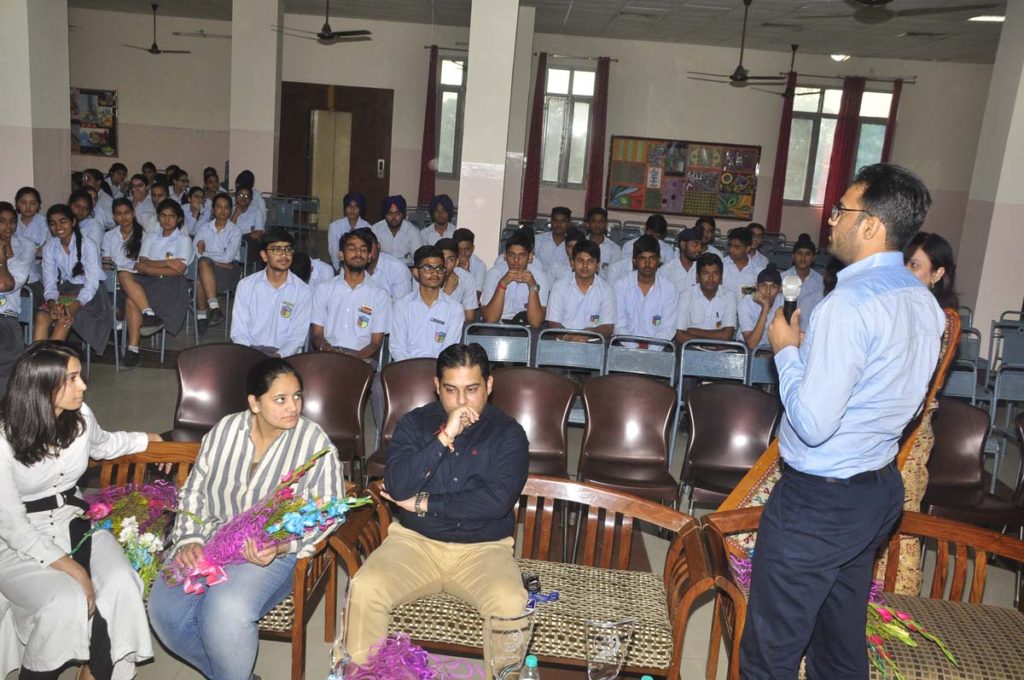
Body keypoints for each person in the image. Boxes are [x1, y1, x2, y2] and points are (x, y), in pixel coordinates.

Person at [740, 164, 946, 679]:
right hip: (875, 490)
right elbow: (885, 390)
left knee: (771, 652)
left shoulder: (848, 302)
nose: (831, 220)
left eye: (841, 210)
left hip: (819, 504)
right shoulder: (923, 301)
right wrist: (813, 355)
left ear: (871, 224)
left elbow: (813, 423)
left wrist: (786, 351)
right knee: (838, 644)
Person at [149, 358, 344, 680]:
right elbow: (195, 489)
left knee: (225, 611)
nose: (293, 407)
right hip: (211, 538)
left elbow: (329, 510)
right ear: (254, 403)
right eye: (280, 399)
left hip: (268, 552)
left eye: (297, 396)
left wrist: (283, 546)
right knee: (165, 612)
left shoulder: (313, 441)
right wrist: (189, 539)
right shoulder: (225, 430)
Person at [345, 344, 529, 674]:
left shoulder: (508, 434)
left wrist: (424, 503)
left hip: (483, 549)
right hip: (415, 543)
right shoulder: (415, 423)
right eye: (451, 390)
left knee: (510, 603)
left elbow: (495, 501)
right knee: (365, 587)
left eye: (472, 389)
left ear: (489, 385)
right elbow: (398, 485)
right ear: (436, 386)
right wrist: (445, 436)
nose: (461, 402)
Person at [0, 342, 160, 679]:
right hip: (16, 540)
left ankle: (96, 672)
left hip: (74, 523)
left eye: (80, 376)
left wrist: (148, 439)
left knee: (122, 583)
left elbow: (104, 444)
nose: (83, 386)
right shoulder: (3, 438)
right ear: (43, 385)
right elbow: (12, 525)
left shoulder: (81, 416)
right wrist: (77, 572)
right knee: (64, 600)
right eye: (72, 378)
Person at [120, 199, 195, 368]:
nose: (167, 220)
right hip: (150, 279)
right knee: (123, 274)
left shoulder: (183, 239)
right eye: (163, 215)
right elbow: (141, 262)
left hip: (172, 282)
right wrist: (167, 262)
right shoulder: (151, 237)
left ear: (178, 218)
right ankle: (148, 313)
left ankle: (133, 350)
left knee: (131, 300)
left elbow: (179, 270)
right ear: (158, 217)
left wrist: (150, 267)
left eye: (171, 216)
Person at [33, 205, 111, 353]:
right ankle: (37, 360)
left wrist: (74, 307)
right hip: (67, 290)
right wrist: (52, 304)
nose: (58, 227)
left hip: (92, 294)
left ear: (73, 222)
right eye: (53, 223)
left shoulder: (88, 245)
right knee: (41, 317)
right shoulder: (50, 247)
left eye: (63, 222)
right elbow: (50, 283)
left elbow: (91, 284)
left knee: (64, 318)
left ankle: (50, 362)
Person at [231, 230, 312, 357]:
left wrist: (278, 356)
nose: (284, 255)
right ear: (264, 255)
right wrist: (248, 356)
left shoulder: (303, 291)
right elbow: (239, 332)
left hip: (284, 356)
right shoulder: (246, 286)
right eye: (277, 250)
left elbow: (297, 338)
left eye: (288, 250)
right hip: (251, 352)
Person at [311, 230, 392, 359]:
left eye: (363, 250)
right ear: (341, 255)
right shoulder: (324, 289)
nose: (358, 254)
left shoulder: (380, 295)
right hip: (328, 354)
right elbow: (316, 335)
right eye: (352, 249)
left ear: (369, 256)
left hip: (363, 358)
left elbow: (375, 343)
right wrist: (330, 350)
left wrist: (353, 360)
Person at [389, 245, 464, 362]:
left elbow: (449, 351)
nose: (435, 273)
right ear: (416, 272)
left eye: (440, 269)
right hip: (406, 367)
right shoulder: (402, 305)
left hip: (438, 368)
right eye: (428, 268)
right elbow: (397, 348)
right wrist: (410, 369)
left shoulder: (455, 309)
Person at [613, 235, 678, 345]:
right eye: (642, 258)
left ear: (659, 260)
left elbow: (667, 329)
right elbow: (619, 326)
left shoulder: (669, 289)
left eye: (652, 258)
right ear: (634, 261)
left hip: (658, 349)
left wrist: (650, 350)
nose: (647, 264)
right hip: (624, 347)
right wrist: (634, 348)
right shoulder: (621, 286)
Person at [546, 239, 616, 340]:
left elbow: (608, 327)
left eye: (590, 261)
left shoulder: (607, 290)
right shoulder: (559, 286)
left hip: (594, 343)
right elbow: (553, 322)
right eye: (580, 261)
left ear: (597, 265)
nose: (585, 266)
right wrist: (568, 337)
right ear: (572, 262)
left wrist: (587, 334)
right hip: (563, 341)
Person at [193, 192, 242, 332]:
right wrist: (215, 261)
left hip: (228, 271)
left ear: (230, 210)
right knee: (202, 269)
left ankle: (201, 317)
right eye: (219, 206)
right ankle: (214, 308)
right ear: (213, 209)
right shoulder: (204, 228)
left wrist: (206, 255)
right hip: (212, 268)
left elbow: (228, 259)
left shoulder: (235, 231)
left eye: (226, 207)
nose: (222, 210)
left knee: (202, 269)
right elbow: (195, 252)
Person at [481, 230, 549, 328]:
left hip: (527, 327)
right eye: (512, 255)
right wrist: (502, 284)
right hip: (497, 326)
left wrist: (532, 286)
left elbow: (536, 323)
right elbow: (490, 319)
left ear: (530, 256)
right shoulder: (494, 274)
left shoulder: (539, 276)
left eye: (522, 255)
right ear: (505, 256)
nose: (516, 260)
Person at [674, 252, 738, 344]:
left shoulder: (729, 296)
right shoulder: (686, 296)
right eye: (705, 273)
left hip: (718, 350)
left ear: (721, 277)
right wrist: (707, 344)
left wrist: (692, 330)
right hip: (691, 349)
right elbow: (680, 336)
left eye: (715, 273)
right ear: (697, 276)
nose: (710, 279)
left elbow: (727, 336)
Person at [0, 203, 29, 394]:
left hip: (6, 321)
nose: (8, 227)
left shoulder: (18, 265)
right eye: (2, 221)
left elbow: (4, 285)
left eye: (12, 222)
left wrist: (2, 260)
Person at [782, 233, 826, 330]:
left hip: (811, 329)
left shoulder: (820, 281)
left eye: (807, 254)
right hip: (786, 327)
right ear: (793, 256)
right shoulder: (783, 278)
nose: (803, 258)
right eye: (799, 254)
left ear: (813, 258)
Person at [904, 231, 958, 309]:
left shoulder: (941, 314)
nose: (903, 270)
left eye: (914, 265)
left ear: (937, 274)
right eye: (903, 262)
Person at [358, 227, 413, 302]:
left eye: (369, 247)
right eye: (361, 249)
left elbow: (401, 305)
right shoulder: (351, 266)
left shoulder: (397, 268)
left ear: (378, 246)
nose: (366, 252)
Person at [738, 264, 783, 351]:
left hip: (772, 349)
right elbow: (751, 344)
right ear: (756, 286)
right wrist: (765, 308)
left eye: (773, 286)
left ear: (780, 289)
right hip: (746, 349)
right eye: (763, 286)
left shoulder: (783, 302)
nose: (768, 291)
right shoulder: (746, 303)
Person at [436, 238, 479, 322]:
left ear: (456, 262)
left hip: (456, 327)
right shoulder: (425, 276)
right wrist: (446, 292)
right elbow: (425, 317)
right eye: (442, 259)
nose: (445, 264)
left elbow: (469, 319)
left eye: (450, 259)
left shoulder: (466, 278)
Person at [327, 193, 371, 272]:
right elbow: (334, 251)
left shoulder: (367, 227)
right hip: (340, 267)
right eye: (349, 206)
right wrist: (339, 270)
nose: (352, 210)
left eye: (356, 207)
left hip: (361, 268)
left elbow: (367, 253)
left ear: (361, 209)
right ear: (345, 208)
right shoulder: (334, 226)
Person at [371, 195, 420, 262]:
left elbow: (419, 259)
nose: (393, 218)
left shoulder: (413, 232)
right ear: (385, 215)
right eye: (390, 213)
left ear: (403, 214)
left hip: (406, 267)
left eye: (397, 213)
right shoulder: (375, 229)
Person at [721, 226, 763, 301]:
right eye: (730, 246)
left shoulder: (757, 272)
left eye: (737, 247)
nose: (731, 250)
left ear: (747, 249)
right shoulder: (721, 266)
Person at [661, 226, 705, 294]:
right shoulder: (666, 271)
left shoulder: (703, 268)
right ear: (683, 245)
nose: (699, 249)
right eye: (695, 245)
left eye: (701, 245)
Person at [67, 190, 104, 266]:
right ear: (70, 205)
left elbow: (91, 254)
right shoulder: (61, 223)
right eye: (77, 206)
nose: (81, 211)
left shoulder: (93, 225)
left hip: (86, 267)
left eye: (86, 208)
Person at [230, 185, 266, 260]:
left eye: (246, 196)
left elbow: (258, 233)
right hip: (233, 239)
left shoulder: (256, 211)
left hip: (248, 241)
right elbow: (229, 231)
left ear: (250, 199)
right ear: (236, 197)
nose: (243, 198)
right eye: (240, 195)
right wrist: (235, 215)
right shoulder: (231, 210)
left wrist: (240, 238)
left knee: (251, 243)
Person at [534, 206, 572, 270]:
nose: (558, 224)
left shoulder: (572, 244)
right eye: (555, 220)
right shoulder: (538, 240)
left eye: (563, 221)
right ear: (551, 222)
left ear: (568, 224)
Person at [453, 227, 486, 296]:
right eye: (459, 249)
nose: (463, 253)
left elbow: (476, 296)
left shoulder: (480, 265)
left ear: (473, 248)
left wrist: (467, 273)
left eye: (466, 249)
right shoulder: (447, 260)